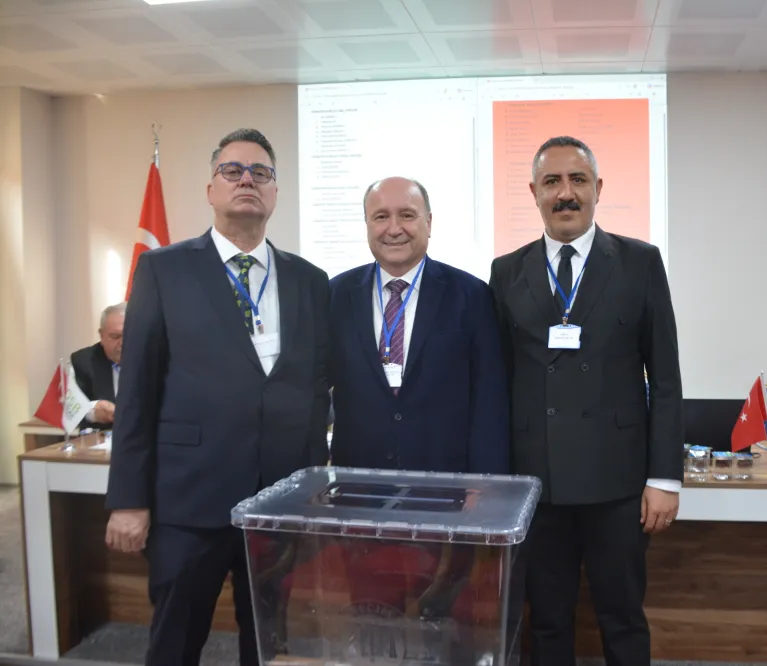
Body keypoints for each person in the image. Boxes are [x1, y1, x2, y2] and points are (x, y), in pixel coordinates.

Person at [104, 128, 332, 666]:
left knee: (268, 642)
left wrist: (313, 484)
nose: (247, 180)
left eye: (261, 172)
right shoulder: (163, 270)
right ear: (211, 189)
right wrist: (128, 499)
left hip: (278, 506)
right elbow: (136, 392)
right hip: (189, 503)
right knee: (176, 643)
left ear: (275, 192)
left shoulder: (310, 280)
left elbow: (316, 390)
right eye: (233, 171)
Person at [489, 136, 684, 666]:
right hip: (536, 484)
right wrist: (497, 480)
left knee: (622, 618)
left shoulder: (640, 262)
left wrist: (665, 478)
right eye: (552, 182)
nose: (565, 193)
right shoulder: (506, 271)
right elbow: (499, 381)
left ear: (598, 188)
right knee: (547, 621)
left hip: (618, 485)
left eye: (577, 180)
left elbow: (665, 377)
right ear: (534, 192)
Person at [327, 176, 509, 475]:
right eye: (381, 217)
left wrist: (486, 482)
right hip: (357, 479)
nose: (394, 228)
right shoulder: (335, 294)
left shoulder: (472, 296)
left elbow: (489, 401)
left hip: (446, 480)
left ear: (429, 222)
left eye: (407, 215)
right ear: (367, 225)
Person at [70, 301, 125, 429]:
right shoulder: (84, 361)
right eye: (115, 336)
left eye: (130, 335)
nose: (123, 343)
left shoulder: (157, 358)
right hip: (103, 436)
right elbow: (71, 408)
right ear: (102, 335)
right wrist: (93, 412)